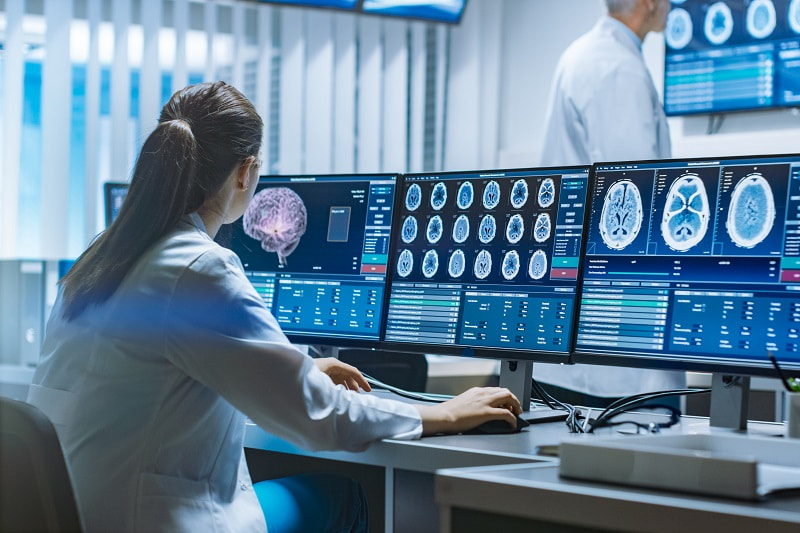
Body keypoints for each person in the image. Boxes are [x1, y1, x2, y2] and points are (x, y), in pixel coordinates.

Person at [27, 81, 522, 532]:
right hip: (152, 519)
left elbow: (157, 372)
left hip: (83, 513)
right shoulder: (199, 267)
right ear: (246, 173)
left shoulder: (101, 257)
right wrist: (441, 414)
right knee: (344, 497)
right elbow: (318, 415)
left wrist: (292, 370)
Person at [536, 0, 684, 406]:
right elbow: (635, 197)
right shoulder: (618, 69)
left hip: (580, 328)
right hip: (615, 347)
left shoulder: (581, 54)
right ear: (648, 2)